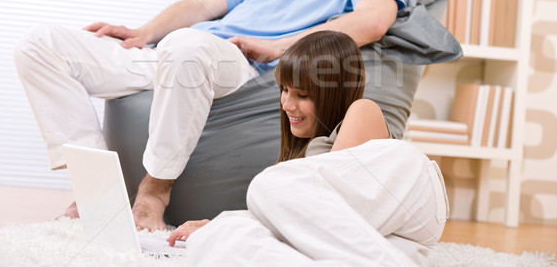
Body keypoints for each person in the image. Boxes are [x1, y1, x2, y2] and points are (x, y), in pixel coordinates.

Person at [14, 0, 420, 232]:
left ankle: (153, 194)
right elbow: (202, 5)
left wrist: (279, 46)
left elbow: (375, 19)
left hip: (234, 62)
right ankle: (95, 194)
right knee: (40, 44)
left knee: (189, 47)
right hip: (172, 54)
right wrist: (142, 32)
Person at [168, 31, 448, 266]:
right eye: (284, 90)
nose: (287, 104)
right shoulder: (300, 159)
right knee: (218, 241)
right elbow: (313, 221)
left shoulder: (362, 111)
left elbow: (333, 202)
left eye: (302, 95)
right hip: (390, 236)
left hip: (412, 190)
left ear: (335, 91)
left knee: (267, 186)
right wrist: (220, 227)